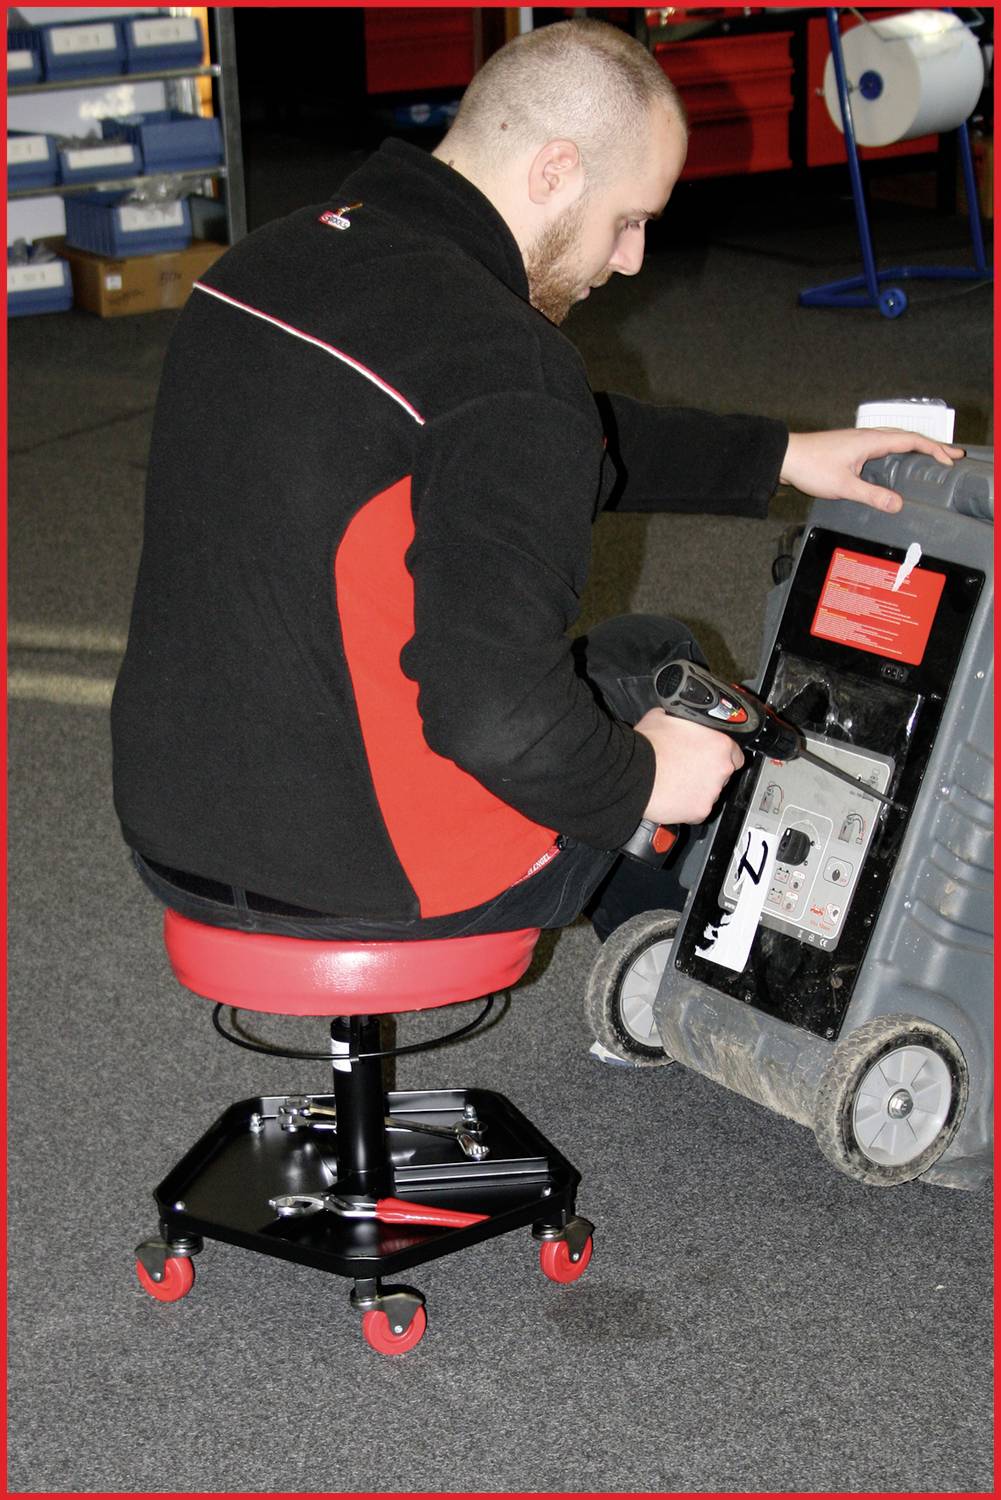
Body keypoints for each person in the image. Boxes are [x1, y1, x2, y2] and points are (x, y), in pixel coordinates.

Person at [110, 18, 961, 946]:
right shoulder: (508, 365)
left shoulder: (269, 262)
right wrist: (642, 783)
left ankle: (645, 947)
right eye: (628, 219)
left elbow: (499, 439)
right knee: (657, 666)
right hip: (379, 870)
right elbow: (494, 714)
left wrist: (782, 455)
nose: (629, 259)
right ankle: (680, 958)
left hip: (176, 830)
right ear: (556, 172)